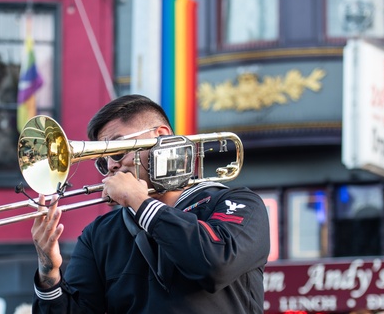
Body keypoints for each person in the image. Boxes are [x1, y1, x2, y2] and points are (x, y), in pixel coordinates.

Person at [30, 94, 270, 313]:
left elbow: (215, 264)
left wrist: (139, 201)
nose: (111, 166)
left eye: (115, 150)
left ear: (161, 136)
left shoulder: (237, 202)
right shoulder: (98, 235)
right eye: (103, 162)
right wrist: (49, 273)